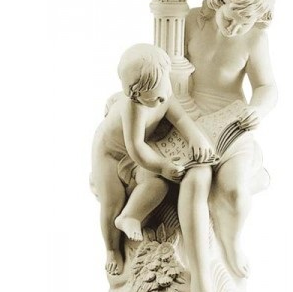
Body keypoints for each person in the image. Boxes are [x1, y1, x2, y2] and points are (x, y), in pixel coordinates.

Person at [180, 0, 278, 292]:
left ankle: (231, 242)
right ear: (218, 0)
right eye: (230, 18)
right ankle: (198, 270)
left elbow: (267, 86)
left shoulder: (255, 38)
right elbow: (165, 68)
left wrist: (258, 109)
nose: (235, 28)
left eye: (245, 21)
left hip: (232, 122)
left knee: (234, 191)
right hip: (191, 120)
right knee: (196, 183)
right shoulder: (191, 21)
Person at [91, 43, 213, 276]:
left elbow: (180, 118)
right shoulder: (133, 108)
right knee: (112, 201)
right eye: (155, 98)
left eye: (164, 90)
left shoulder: (163, 93)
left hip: (140, 151)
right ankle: (112, 250)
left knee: (158, 184)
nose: (162, 99)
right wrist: (163, 166)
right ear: (136, 95)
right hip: (110, 153)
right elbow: (136, 147)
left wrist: (196, 138)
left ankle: (130, 215)